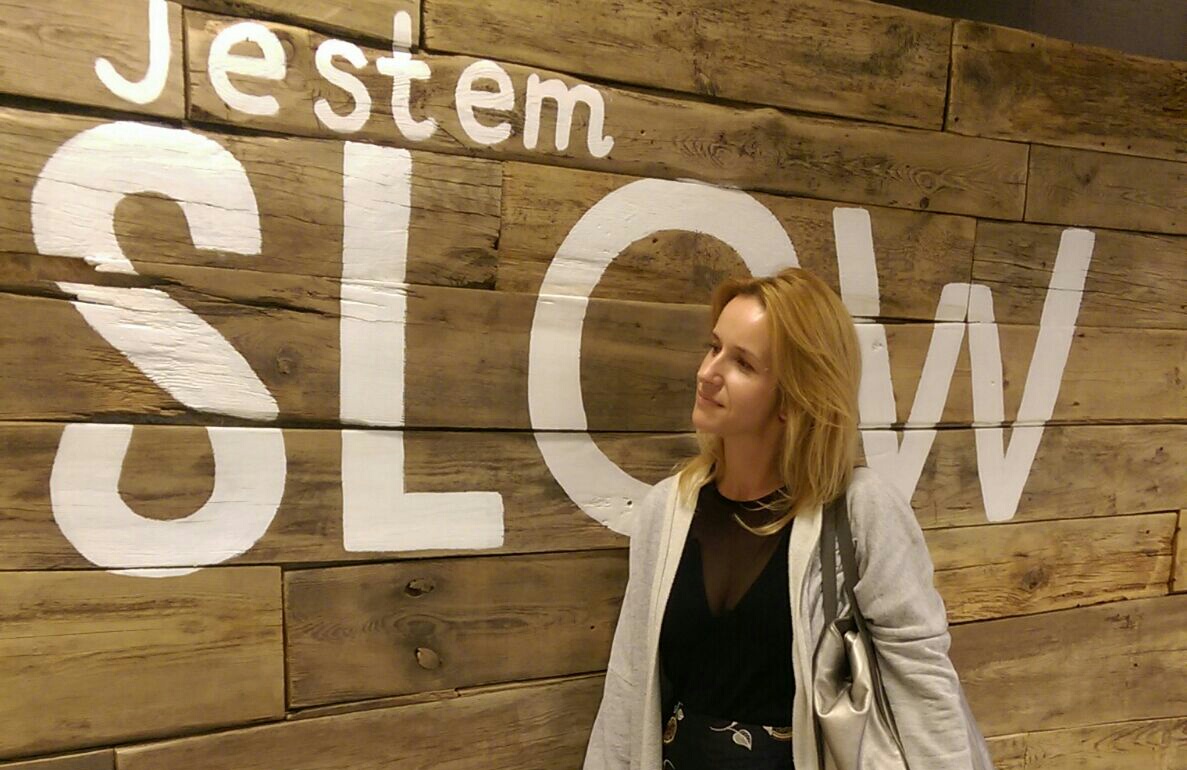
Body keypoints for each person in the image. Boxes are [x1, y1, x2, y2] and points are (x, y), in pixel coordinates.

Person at [583, 267, 995, 770]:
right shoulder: (668, 510)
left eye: (742, 363)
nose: (708, 372)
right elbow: (629, 684)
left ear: (794, 397)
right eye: (714, 347)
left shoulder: (860, 510)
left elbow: (923, 682)